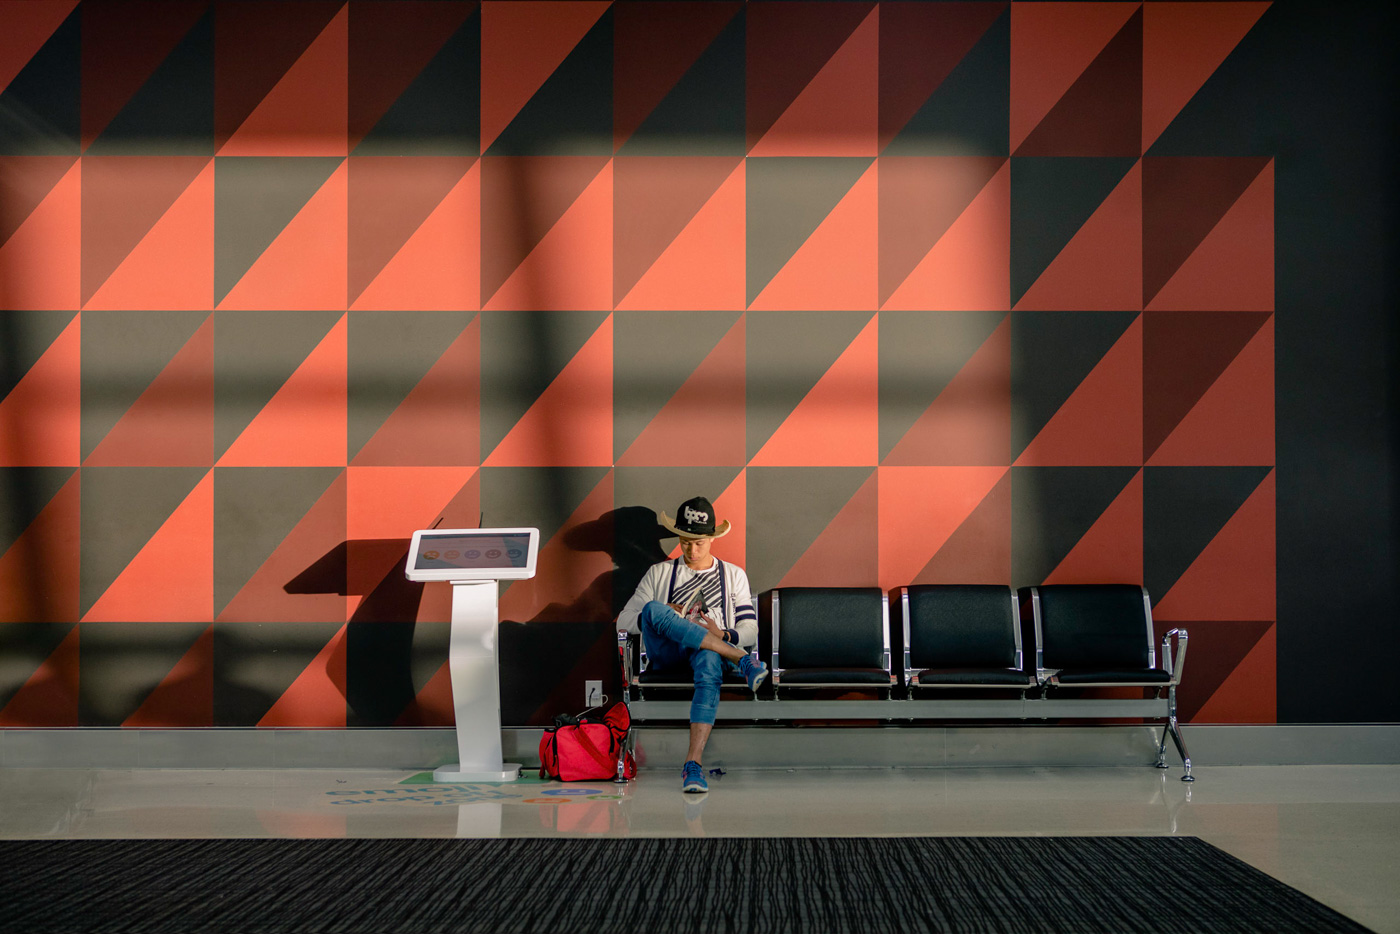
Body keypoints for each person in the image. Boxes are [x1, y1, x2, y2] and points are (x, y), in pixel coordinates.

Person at [617, 496, 767, 793]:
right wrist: (669, 614)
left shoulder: (733, 575)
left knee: (708, 657)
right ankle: (742, 660)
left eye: (699, 542)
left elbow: (750, 629)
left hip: (711, 655)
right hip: (669, 655)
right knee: (652, 609)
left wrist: (723, 634)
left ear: (712, 538)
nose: (692, 549)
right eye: (685, 541)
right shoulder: (659, 573)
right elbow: (624, 621)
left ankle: (693, 765)